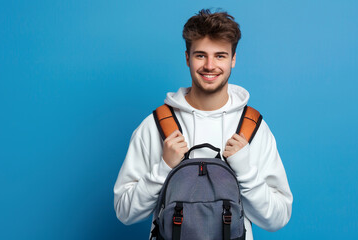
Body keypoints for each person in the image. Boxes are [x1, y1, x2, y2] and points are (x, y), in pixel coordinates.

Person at [114, 9, 293, 240]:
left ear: (233, 60)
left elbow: (278, 219)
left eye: (220, 55)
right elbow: (124, 212)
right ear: (187, 57)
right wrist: (163, 168)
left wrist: (246, 172)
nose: (210, 66)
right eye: (200, 55)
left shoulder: (253, 128)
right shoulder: (155, 126)